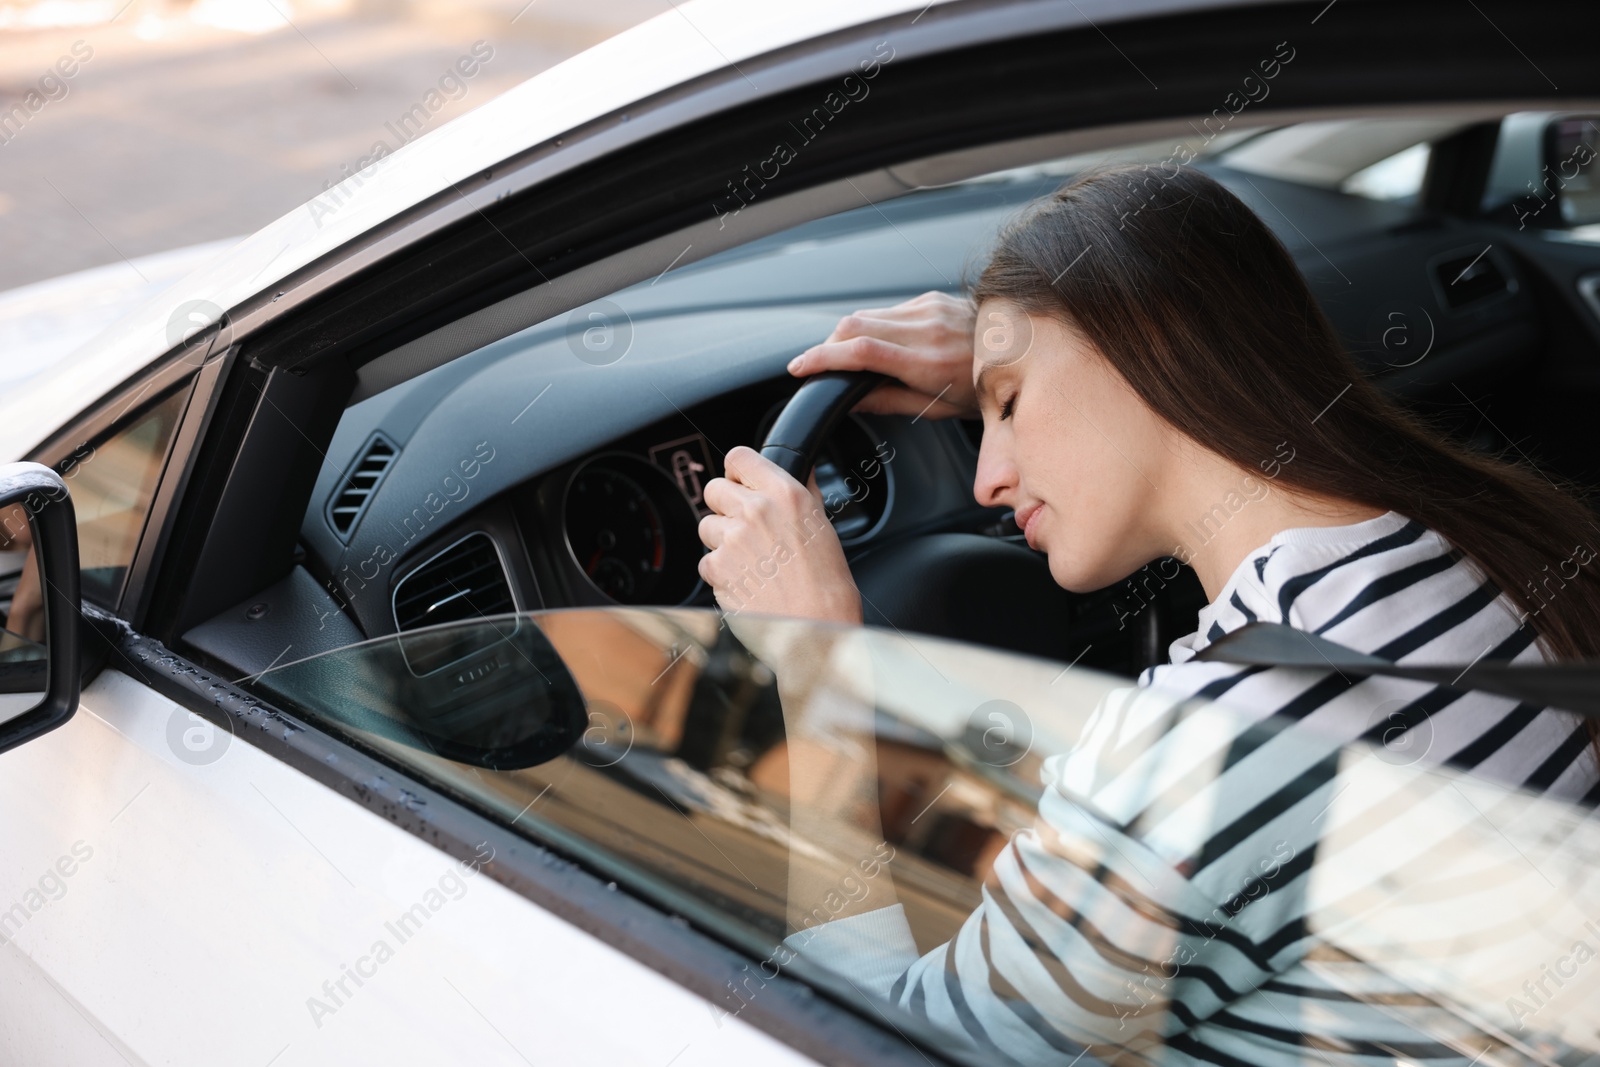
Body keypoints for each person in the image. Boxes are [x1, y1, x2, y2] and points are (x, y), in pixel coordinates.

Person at [695, 164, 1600, 1064]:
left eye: (1008, 405)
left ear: (1151, 339)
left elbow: (877, 1041)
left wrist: (814, 661)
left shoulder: (1204, 744)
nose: (985, 477)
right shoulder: (1483, 540)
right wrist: (1006, 355)